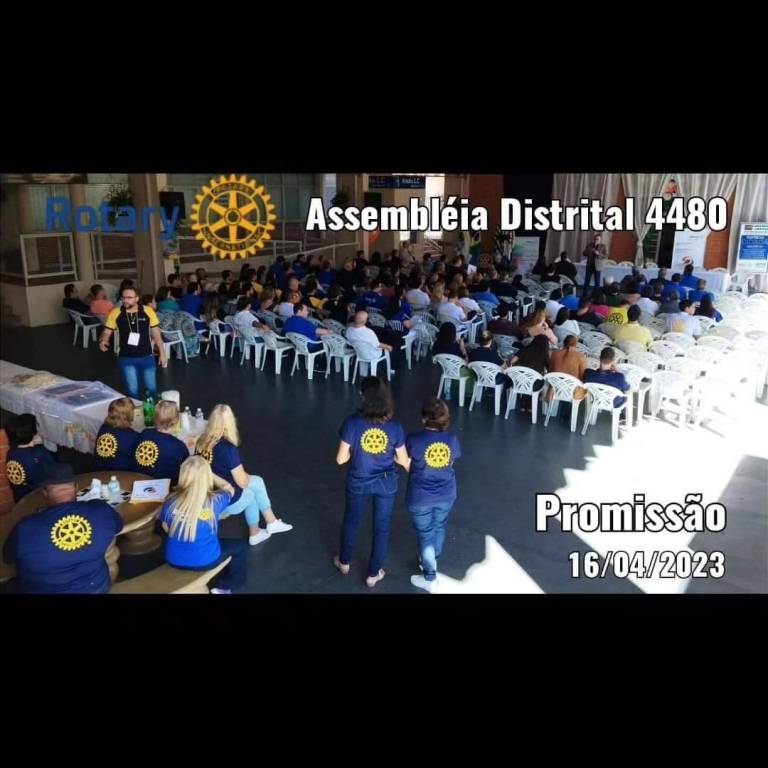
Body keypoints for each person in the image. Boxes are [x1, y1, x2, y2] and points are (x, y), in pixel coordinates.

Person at [334, 377, 409, 588]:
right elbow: (403, 460)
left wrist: (357, 452)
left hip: (358, 481)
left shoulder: (352, 423)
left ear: (362, 396)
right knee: (382, 526)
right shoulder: (395, 427)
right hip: (386, 483)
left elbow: (341, 459)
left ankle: (344, 562)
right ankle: (373, 574)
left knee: (351, 520)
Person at [2, 463, 123, 594]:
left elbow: (7, 558)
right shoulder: (101, 510)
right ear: (77, 487)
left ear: (44, 492)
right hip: (97, 587)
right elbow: (118, 526)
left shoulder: (25, 528)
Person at [195, 404, 292, 546]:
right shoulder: (228, 449)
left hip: (208, 494)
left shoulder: (201, 442)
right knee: (254, 489)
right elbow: (243, 482)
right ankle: (268, 524)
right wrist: (245, 475)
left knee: (255, 486)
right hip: (225, 500)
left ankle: (261, 530)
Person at [159, 456, 247, 594]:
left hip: (173, 559)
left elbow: (166, 528)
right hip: (206, 561)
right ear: (207, 477)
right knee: (240, 546)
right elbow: (229, 488)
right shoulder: (215, 501)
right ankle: (226, 586)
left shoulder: (170, 501)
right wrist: (209, 473)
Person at [405, 397, 461, 593]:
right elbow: (449, 464)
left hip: (420, 497)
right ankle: (431, 559)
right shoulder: (452, 440)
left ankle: (430, 576)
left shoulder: (414, 440)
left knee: (425, 534)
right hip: (447, 494)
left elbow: (407, 463)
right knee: (438, 526)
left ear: (423, 418)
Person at [99, 286, 167, 399]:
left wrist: (162, 353)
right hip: (126, 357)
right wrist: (103, 340)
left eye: (129, 297)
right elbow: (107, 331)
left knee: (152, 389)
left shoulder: (148, 311)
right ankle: (134, 408)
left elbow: (156, 333)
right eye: (123, 297)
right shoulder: (116, 312)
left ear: (137, 298)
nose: (125, 300)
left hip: (147, 356)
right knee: (132, 390)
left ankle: (153, 408)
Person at [133, 401, 189, 486]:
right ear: (175, 421)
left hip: (139, 481)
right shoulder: (178, 446)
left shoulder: (144, 433)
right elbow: (188, 464)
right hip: (166, 486)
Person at [5, 414, 59, 502]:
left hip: (20, 497)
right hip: (38, 499)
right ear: (34, 433)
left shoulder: (11, 452)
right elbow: (56, 469)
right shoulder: (39, 453)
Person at [94, 397, 140, 472]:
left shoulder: (103, 428)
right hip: (123, 474)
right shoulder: (132, 436)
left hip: (99, 471)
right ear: (128, 415)